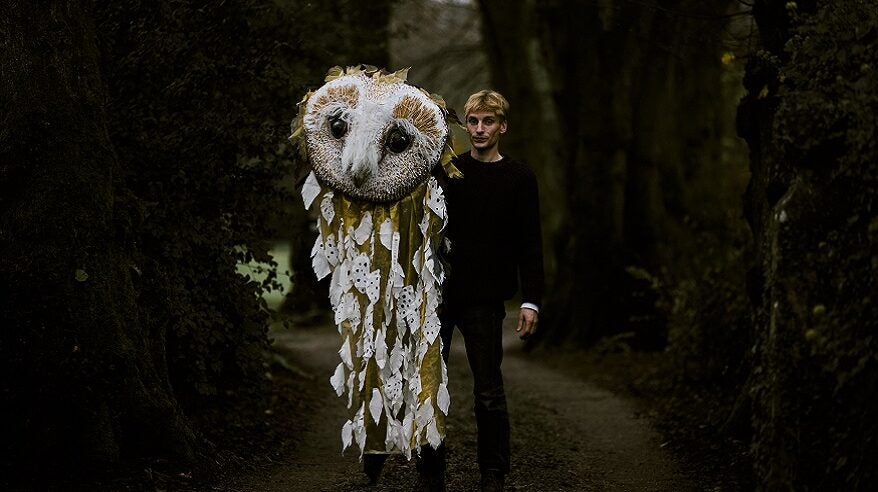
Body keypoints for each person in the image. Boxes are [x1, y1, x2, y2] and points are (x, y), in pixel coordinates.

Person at [416, 90, 544, 492]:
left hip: (486, 299)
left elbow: (530, 243)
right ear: (465, 125)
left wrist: (530, 300)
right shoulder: (447, 172)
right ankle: (430, 473)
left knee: (488, 389)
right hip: (439, 295)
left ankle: (493, 473)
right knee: (430, 386)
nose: (479, 129)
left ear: (502, 126)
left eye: (488, 122)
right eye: (473, 122)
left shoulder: (519, 178)